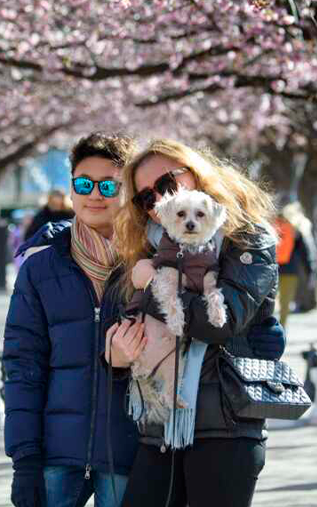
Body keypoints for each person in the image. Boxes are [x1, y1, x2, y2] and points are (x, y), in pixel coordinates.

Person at [111, 139, 285, 507]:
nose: (159, 201)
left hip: (226, 424)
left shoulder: (248, 238)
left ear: (195, 172)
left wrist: (155, 283)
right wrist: (113, 352)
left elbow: (221, 323)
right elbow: (132, 324)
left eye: (167, 184)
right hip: (159, 422)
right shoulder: (151, 246)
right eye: (146, 198)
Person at [3, 132, 143, 507]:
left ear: (127, 191)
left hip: (128, 452)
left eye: (108, 185)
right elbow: (22, 366)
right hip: (56, 454)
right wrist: (25, 458)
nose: (95, 194)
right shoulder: (40, 267)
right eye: (84, 183)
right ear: (71, 189)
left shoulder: (149, 263)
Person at [274, 202, 316, 325]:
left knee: (269, 301)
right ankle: (281, 329)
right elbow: (305, 251)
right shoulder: (297, 227)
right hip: (290, 271)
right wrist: (310, 270)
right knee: (285, 303)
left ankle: (267, 329)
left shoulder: (275, 225)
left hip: (272, 268)